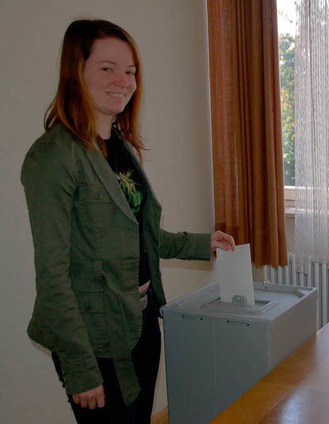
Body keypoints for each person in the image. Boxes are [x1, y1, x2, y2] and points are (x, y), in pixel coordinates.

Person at [21, 19, 236, 423]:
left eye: (131, 71)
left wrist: (200, 242)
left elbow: (139, 236)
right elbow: (53, 277)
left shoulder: (118, 146)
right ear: (76, 71)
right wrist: (81, 368)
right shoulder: (53, 157)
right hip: (94, 339)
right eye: (107, 68)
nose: (123, 80)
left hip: (139, 324)